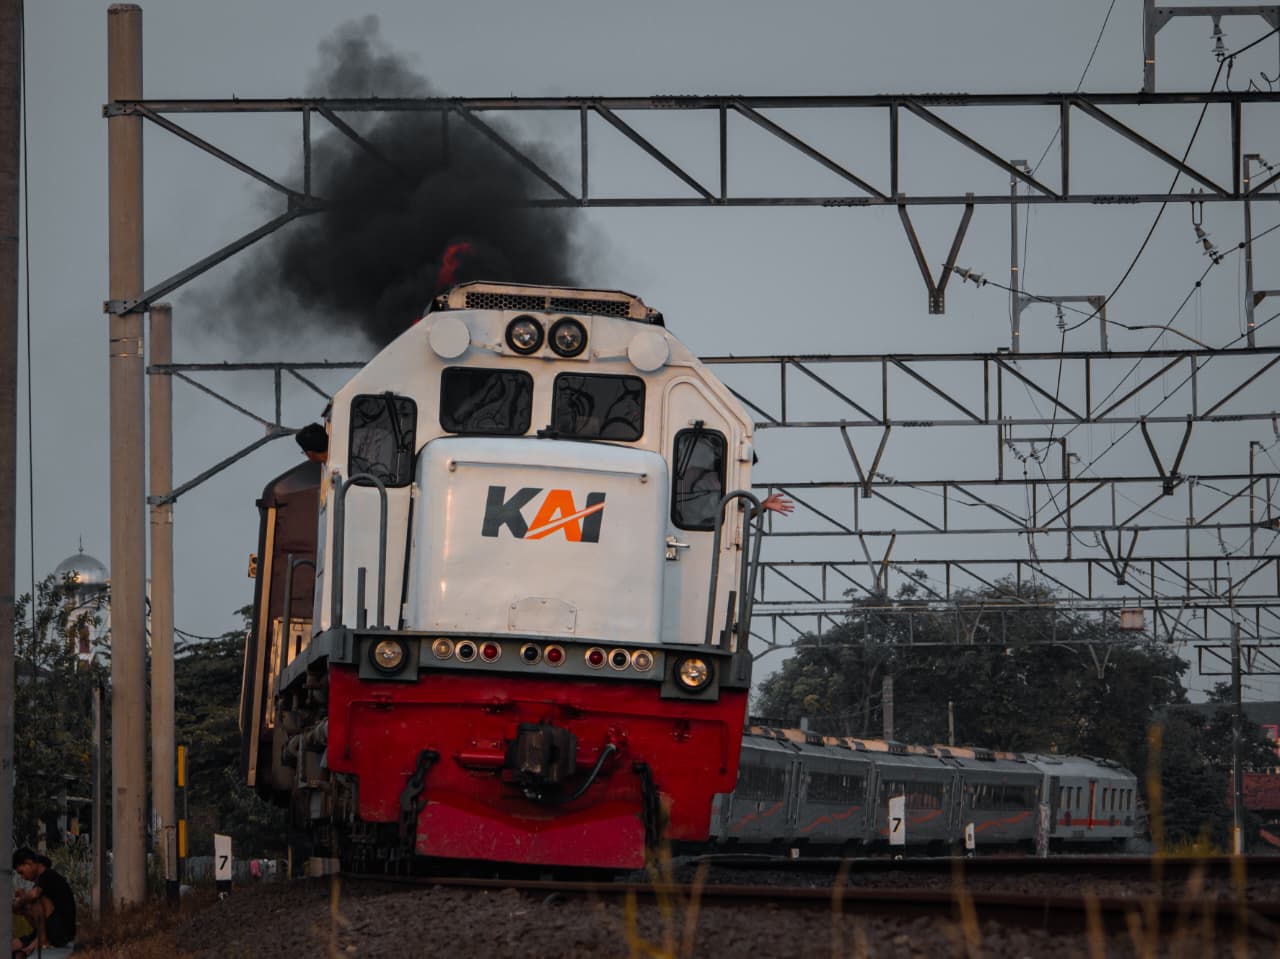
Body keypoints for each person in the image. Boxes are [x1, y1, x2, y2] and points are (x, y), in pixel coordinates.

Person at [10, 848, 76, 957]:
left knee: (33, 900)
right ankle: (37, 939)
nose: (23, 877)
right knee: (9, 948)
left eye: (21, 873)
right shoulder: (40, 881)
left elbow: (34, 895)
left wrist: (19, 902)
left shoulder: (49, 876)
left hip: (60, 932)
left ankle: (42, 940)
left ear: (29, 863)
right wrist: (20, 905)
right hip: (46, 930)